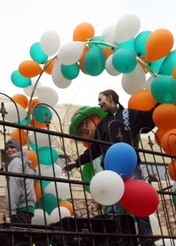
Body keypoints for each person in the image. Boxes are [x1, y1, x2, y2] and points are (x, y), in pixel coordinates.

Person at [63, 89, 157, 246]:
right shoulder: (103, 124)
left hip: (131, 167)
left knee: (139, 203)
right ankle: (116, 240)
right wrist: (78, 162)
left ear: (111, 97)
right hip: (111, 169)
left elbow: (149, 119)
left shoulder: (129, 115)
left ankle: (147, 241)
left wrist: (161, 102)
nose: (99, 103)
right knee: (112, 206)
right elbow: (95, 148)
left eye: (101, 99)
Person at [5, 139, 36, 225]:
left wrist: (12, 210)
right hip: (28, 206)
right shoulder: (24, 162)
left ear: (18, 149)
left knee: (19, 236)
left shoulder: (16, 162)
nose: (9, 150)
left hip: (21, 206)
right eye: (7, 148)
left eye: (12, 147)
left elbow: (15, 184)